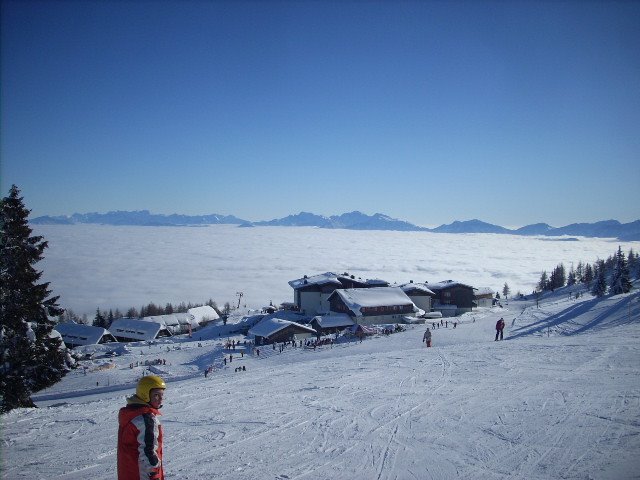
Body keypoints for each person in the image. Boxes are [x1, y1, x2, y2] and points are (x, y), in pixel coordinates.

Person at [118, 375, 166, 480]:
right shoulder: (145, 419)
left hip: (129, 472)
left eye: (162, 395)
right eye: (156, 395)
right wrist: (154, 474)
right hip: (142, 475)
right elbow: (148, 452)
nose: (161, 399)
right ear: (145, 395)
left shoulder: (131, 414)